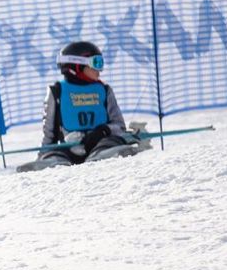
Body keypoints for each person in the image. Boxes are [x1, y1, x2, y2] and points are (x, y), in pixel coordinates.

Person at [16, 41, 147, 172]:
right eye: (96, 63)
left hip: (101, 142)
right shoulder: (57, 91)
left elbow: (119, 126)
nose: (99, 70)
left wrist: (103, 130)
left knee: (110, 143)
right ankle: (52, 162)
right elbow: (49, 134)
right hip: (70, 147)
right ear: (77, 65)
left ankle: (104, 155)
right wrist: (42, 155)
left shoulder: (104, 90)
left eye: (100, 63)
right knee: (57, 152)